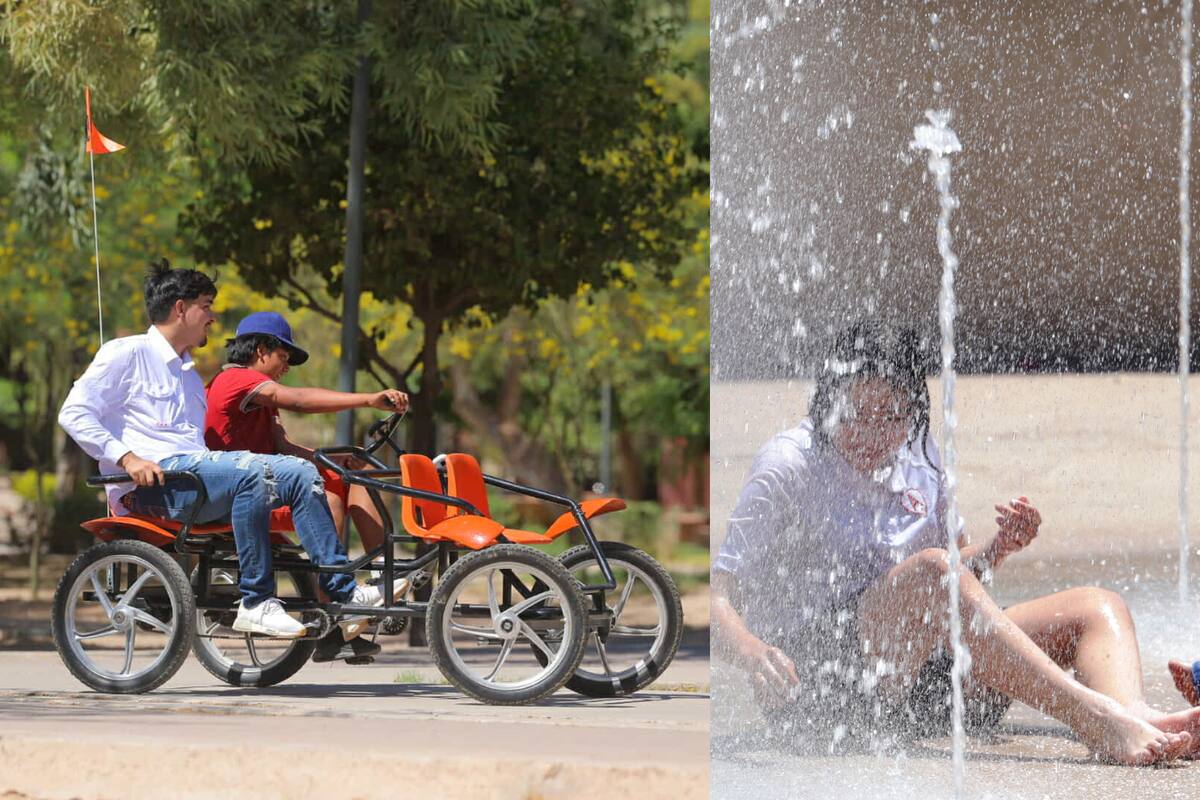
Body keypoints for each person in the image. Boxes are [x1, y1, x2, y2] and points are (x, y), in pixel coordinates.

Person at [711, 321, 1200, 765]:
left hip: (929, 687)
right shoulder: (788, 466)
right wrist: (753, 653)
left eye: (891, 416)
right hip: (827, 696)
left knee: (1096, 607)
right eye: (856, 414)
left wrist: (997, 548)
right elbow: (717, 602)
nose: (873, 433)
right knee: (932, 571)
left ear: (912, 409)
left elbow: (959, 578)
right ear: (827, 402)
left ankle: (1134, 715)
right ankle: (1100, 719)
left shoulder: (918, 455)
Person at [59, 259, 386, 640]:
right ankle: (256, 602)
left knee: (301, 474)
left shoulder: (189, 378)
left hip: (192, 480)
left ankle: (343, 594)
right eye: (206, 306)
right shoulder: (126, 353)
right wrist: (127, 458)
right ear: (180, 308)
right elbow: (74, 413)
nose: (213, 317)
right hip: (151, 488)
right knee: (252, 473)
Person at [204, 310, 411, 661]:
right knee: (328, 495)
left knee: (352, 473)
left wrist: (334, 460)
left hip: (269, 483)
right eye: (283, 357)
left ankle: (380, 572)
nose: (286, 367)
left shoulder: (259, 398)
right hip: (243, 496)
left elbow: (284, 448)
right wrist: (367, 399)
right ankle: (333, 611)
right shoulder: (235, 380)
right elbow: (299, 400)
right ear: (261, 350)